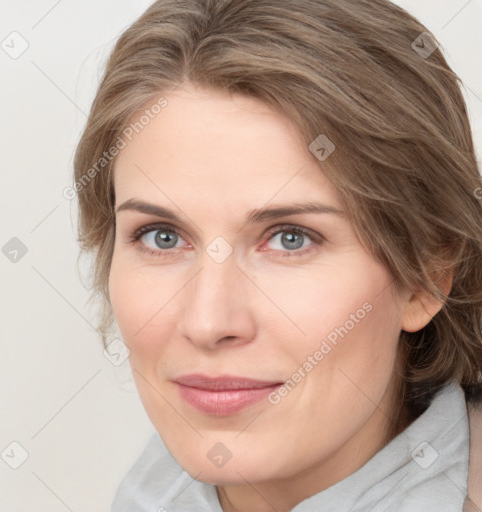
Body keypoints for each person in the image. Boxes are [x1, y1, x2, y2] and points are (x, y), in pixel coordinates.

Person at [72, 0, 482, 510]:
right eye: (162, 236)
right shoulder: (150, 490)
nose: (207, 322)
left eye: (291, 238)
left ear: (426, 274)